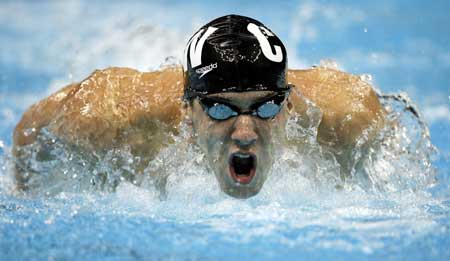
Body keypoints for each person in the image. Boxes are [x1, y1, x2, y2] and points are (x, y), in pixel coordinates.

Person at [13, 15, 385, 198]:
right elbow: (29, 131)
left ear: (288, 105)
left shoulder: (349, 117)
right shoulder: (109, 116)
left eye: (265, 108)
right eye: (220, 110)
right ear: (188, 110)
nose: (244, 132)